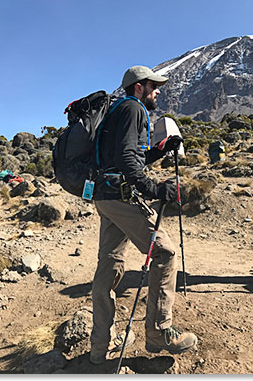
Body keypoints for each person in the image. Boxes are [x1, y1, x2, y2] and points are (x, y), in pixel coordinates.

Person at [90, 65, 198, 365]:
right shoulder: (134, 109)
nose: (158, 91)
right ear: (140, 87)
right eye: (154, 86)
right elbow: (127, 160)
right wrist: (154, 188)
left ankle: (100, 346)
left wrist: (160, 150)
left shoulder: (117, 111)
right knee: (164, 252)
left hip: (105, 195)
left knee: (109, 265)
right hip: (123, 197)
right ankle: (160, 331)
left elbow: (129, 155)